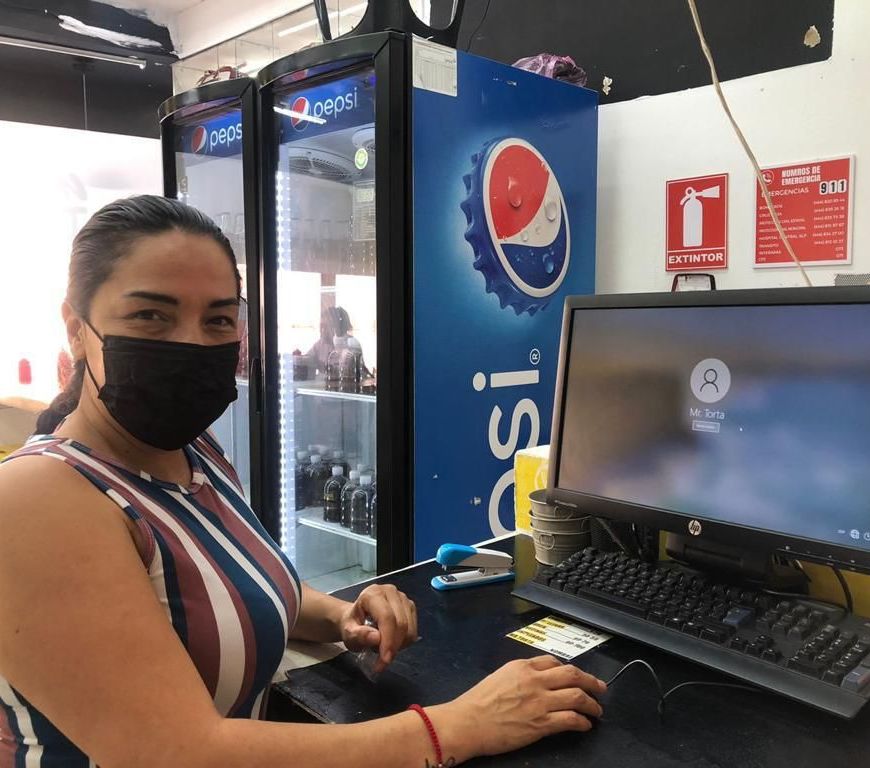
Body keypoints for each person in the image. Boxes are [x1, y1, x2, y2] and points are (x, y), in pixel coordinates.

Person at [0, 195, 606, 767]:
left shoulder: (195, 453)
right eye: (151, 315)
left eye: (218, 319)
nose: (191, 342)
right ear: (76, 327)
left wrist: (340, 617)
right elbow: (183, 754)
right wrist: (458, 726)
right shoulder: (36, 500)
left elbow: (222, 595)